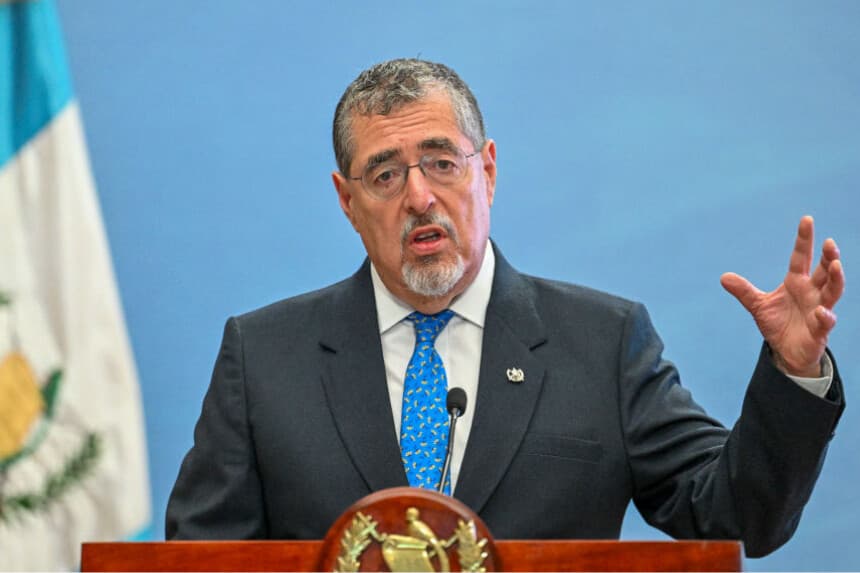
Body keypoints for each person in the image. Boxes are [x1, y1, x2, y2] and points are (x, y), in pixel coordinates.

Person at [165, 59, 845, 558]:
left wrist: (794, 371)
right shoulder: (264, 357)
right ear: (347, 201)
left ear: (487, 170)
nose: (420, 197)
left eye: (442, 163)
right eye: (385, 174)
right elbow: (197, 561)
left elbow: (737, 515)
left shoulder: (603, 342)